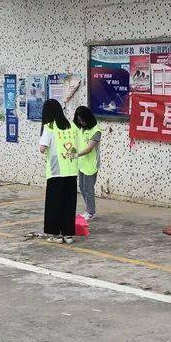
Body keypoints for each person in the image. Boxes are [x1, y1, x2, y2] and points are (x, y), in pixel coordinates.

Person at [39, 98, 79, 243]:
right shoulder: (72, 126)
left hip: (56, 171)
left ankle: (55, 234)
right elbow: (77, 146)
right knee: (69, 203)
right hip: (71, 170)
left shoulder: (49, 127)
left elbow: (42, 149)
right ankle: (68, 235)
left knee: (54, 203)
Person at [73, 105, 102, 220]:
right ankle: (88, 209)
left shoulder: (96, 131)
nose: (81, 122)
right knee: (82, 187)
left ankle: (90, 211)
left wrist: (75, 155)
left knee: (88, 188)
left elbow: (89, 148)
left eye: (83, 120)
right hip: (81, 163)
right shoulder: (80, 129)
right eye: (79, 120)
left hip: (91, 164)